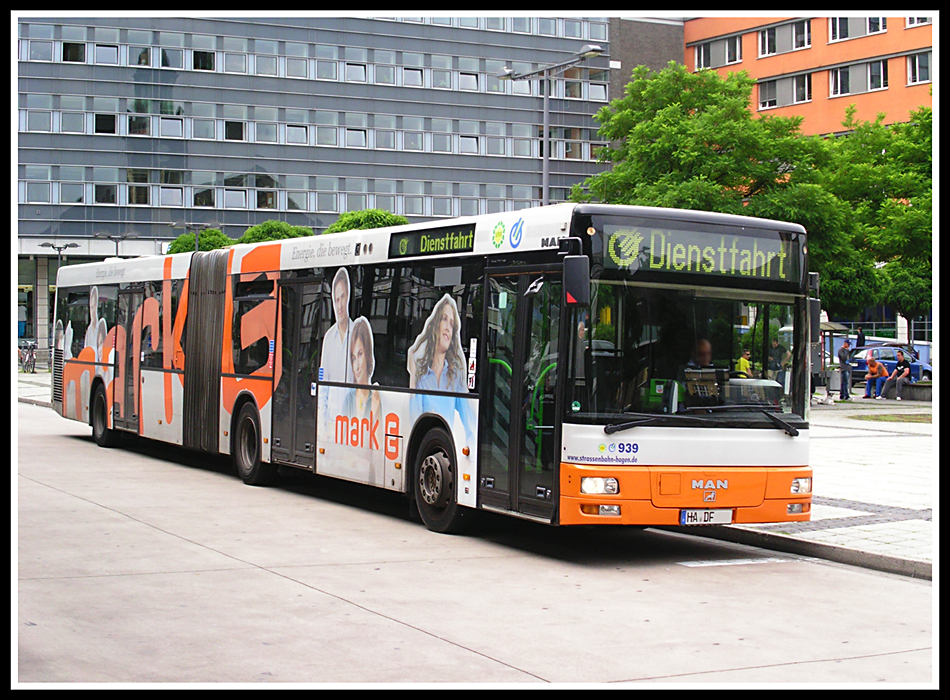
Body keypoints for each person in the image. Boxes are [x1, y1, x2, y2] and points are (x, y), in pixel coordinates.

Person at [408, 294, 476, 447]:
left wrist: (470, 453)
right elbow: (412, 420)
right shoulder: (421, 375)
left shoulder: (455, 375)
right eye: (444, 319)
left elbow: (470, 425)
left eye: (451, 324)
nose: (447, 327)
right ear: (435, 325)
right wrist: (413, 375)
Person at [319, 268, 352, 427]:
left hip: (353, 424)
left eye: (343, 297)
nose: (339, 305)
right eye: (336, 299)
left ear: (349, 297)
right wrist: (323, 424)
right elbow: (323, 386)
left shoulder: (357, 336)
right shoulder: (328, 338)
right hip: (331, 424)